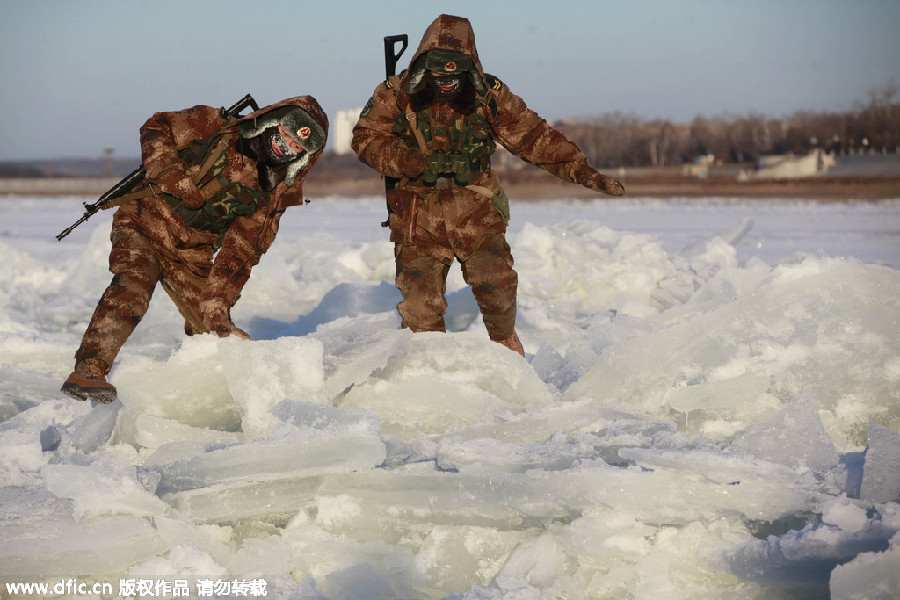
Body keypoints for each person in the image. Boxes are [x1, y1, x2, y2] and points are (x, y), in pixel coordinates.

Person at [352, 14, 625, 357]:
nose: (446, 82)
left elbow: (534, 138)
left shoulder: (490, 95)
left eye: (454, 74)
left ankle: (506, 346)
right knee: (420, 309)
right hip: (416, 214)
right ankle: (427, 376)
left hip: (476, 210)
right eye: (438, 74)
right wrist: (411, 162)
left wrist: (582, 171)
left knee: (497, 286)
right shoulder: (395, 94)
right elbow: (365, 139)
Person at [61, 96, 328, 404]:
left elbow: (239, 254)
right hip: (146, 220)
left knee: (215, 331)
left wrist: (217, 307)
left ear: (303, 157)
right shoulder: (216, 126)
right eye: (284, 135)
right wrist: (171, 174)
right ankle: (89, 370)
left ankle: (212, 402)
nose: (285, 146)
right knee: (135, 281)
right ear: (272, 123)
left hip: (191, 253)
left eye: (296, 147)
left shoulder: (269, 198)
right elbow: (157, 126)